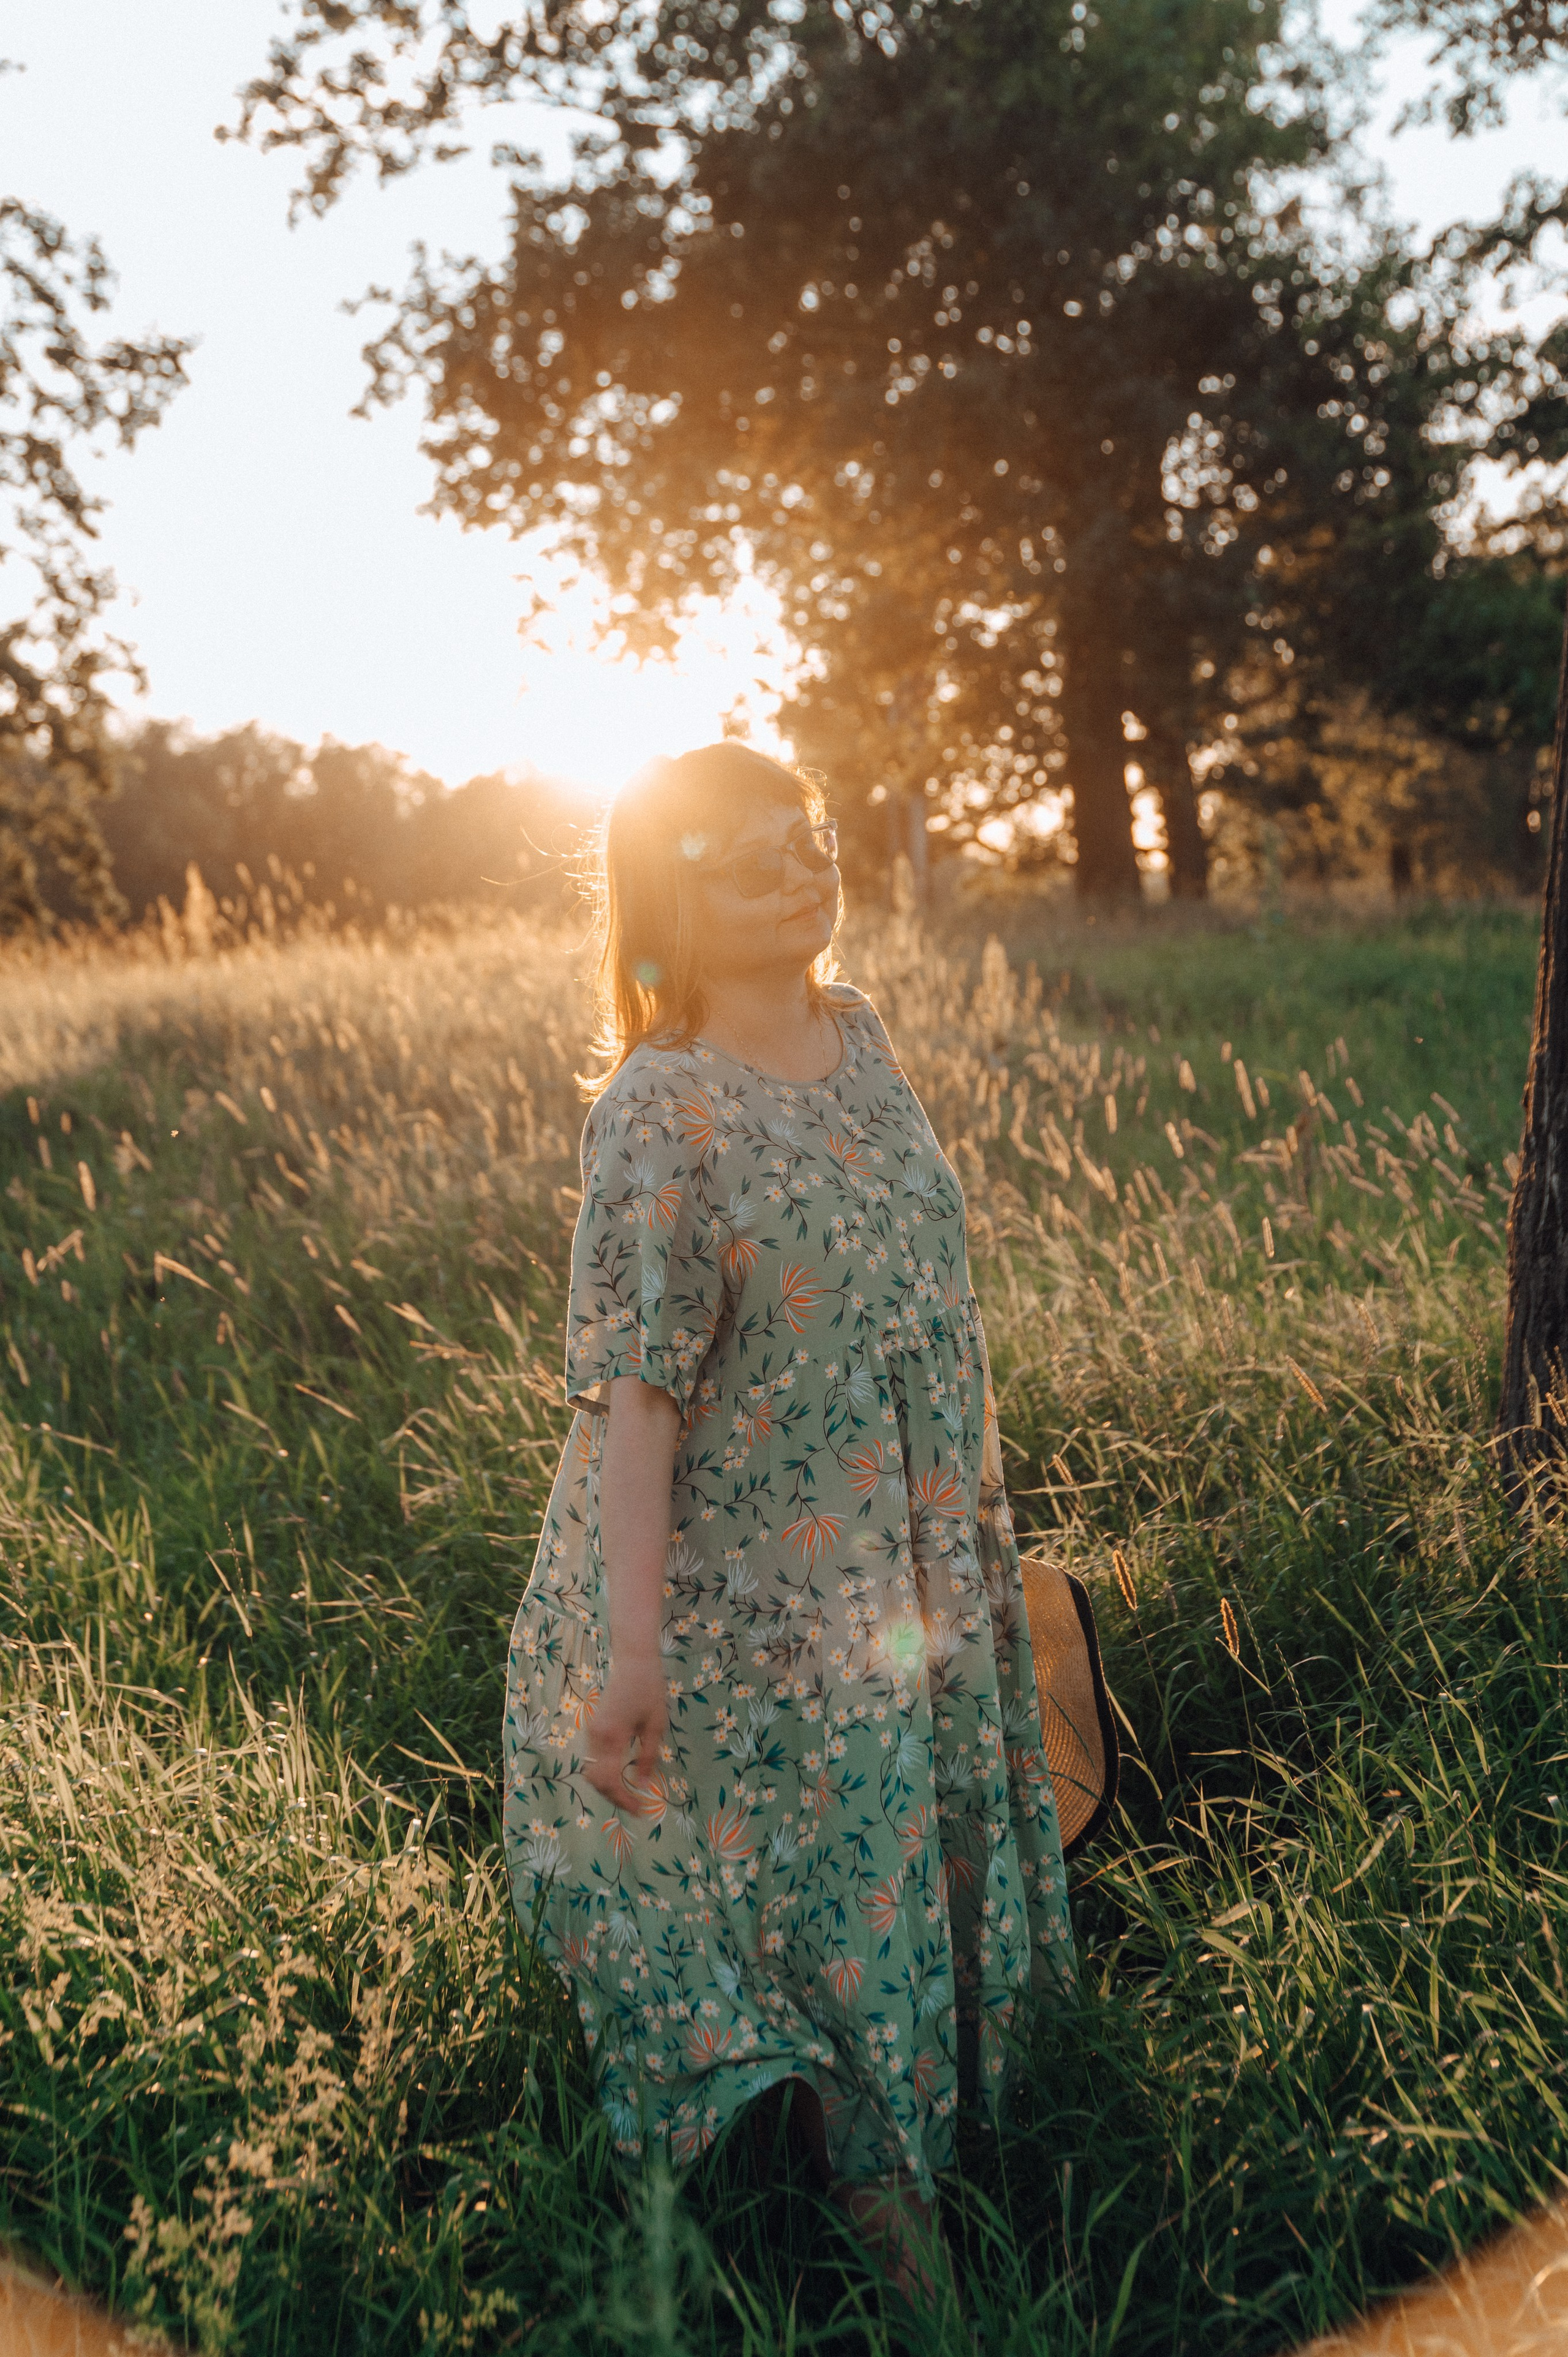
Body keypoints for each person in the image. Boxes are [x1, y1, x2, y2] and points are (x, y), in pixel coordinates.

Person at [501, 742, 1075, 2306]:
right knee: (817, 1918)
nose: (793, 867)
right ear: (670, 894)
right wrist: (631, 1659)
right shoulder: (659, 1107)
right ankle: (914, 2286)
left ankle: (997, 2179)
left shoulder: (862, 1034)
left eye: (803, 835)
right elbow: (633, 1396)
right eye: (741, 853)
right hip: (736, 1594)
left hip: (904, 1564)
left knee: (895, 1880)